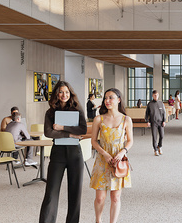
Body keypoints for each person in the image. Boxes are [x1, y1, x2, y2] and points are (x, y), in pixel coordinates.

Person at [39, 81, 88, 223]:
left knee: (75, 193)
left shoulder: (77, 109)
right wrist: (70, 134)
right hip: (57, 153)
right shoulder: (50, 112)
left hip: (75, 154)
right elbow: (48, 132)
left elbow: (82, 130)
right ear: (56, 94)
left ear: (70, 93)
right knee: (51, 193)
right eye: (60, 92)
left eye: (66, 92)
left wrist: (61, 127)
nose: (64, 95)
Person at [90, 88, 133, 223]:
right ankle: (98, 220)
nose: (107, 101)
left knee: (115, 197)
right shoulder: (99, 119)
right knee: (100, 197)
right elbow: (93, 141)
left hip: (118, 161)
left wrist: (123, 151)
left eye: (111, 98)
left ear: (118, 100)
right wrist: (104, 154)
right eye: (105, 98)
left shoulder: (126, 119)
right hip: (103, 161)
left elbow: (130, 140)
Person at [144, 90, 166, 155]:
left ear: (158, 95)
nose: (155, 96)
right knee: (154, 136)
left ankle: (160, 146)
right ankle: (155, 149)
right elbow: (147, 113)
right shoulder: (150, 104)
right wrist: (147, 121)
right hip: (153, 122)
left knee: (162, 135)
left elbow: (164, 112)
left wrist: (164, 121)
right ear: (152, 96)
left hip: (160, 122)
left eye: (156, 95)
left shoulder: (161, 103)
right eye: (154, 95)